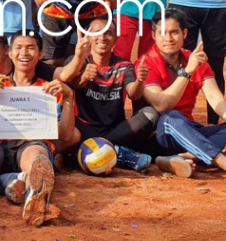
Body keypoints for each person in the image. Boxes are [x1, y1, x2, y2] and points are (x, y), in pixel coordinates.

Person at [139, 8, 226, 189]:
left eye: (174, 32)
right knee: (170, 119)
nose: (168, 38)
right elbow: (161, 106)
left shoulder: (193, 59)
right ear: (153, 35)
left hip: (188, 131)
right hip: (159, 135)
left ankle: (183, 156)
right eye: (162, 33)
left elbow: (215, 97)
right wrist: (188, 72)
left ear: (184, 33)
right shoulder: (146, 62)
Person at [0, 33, 75, 227]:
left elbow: (65, 135)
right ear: (10, 53)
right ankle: (21, 183)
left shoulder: (48, 89)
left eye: (30, 47)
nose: (24, 52)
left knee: (36, 154)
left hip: (29, 146)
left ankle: (34, 190)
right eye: (18, 47)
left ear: (40, 53)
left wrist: (68, 98)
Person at [58, 17, 156, 171]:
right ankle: (118, 152)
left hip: (116, 130)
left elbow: (134, 94)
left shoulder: (124, 65)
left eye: (108, 33)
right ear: (89, 36)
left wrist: (140, 81)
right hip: (84, 127)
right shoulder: (76, 61)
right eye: (97, 33)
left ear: (116, 39)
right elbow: (70, 82)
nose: (102, 38)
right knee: (65, 124)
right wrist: (83, 76)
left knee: (150, 113)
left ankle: (100, 148)